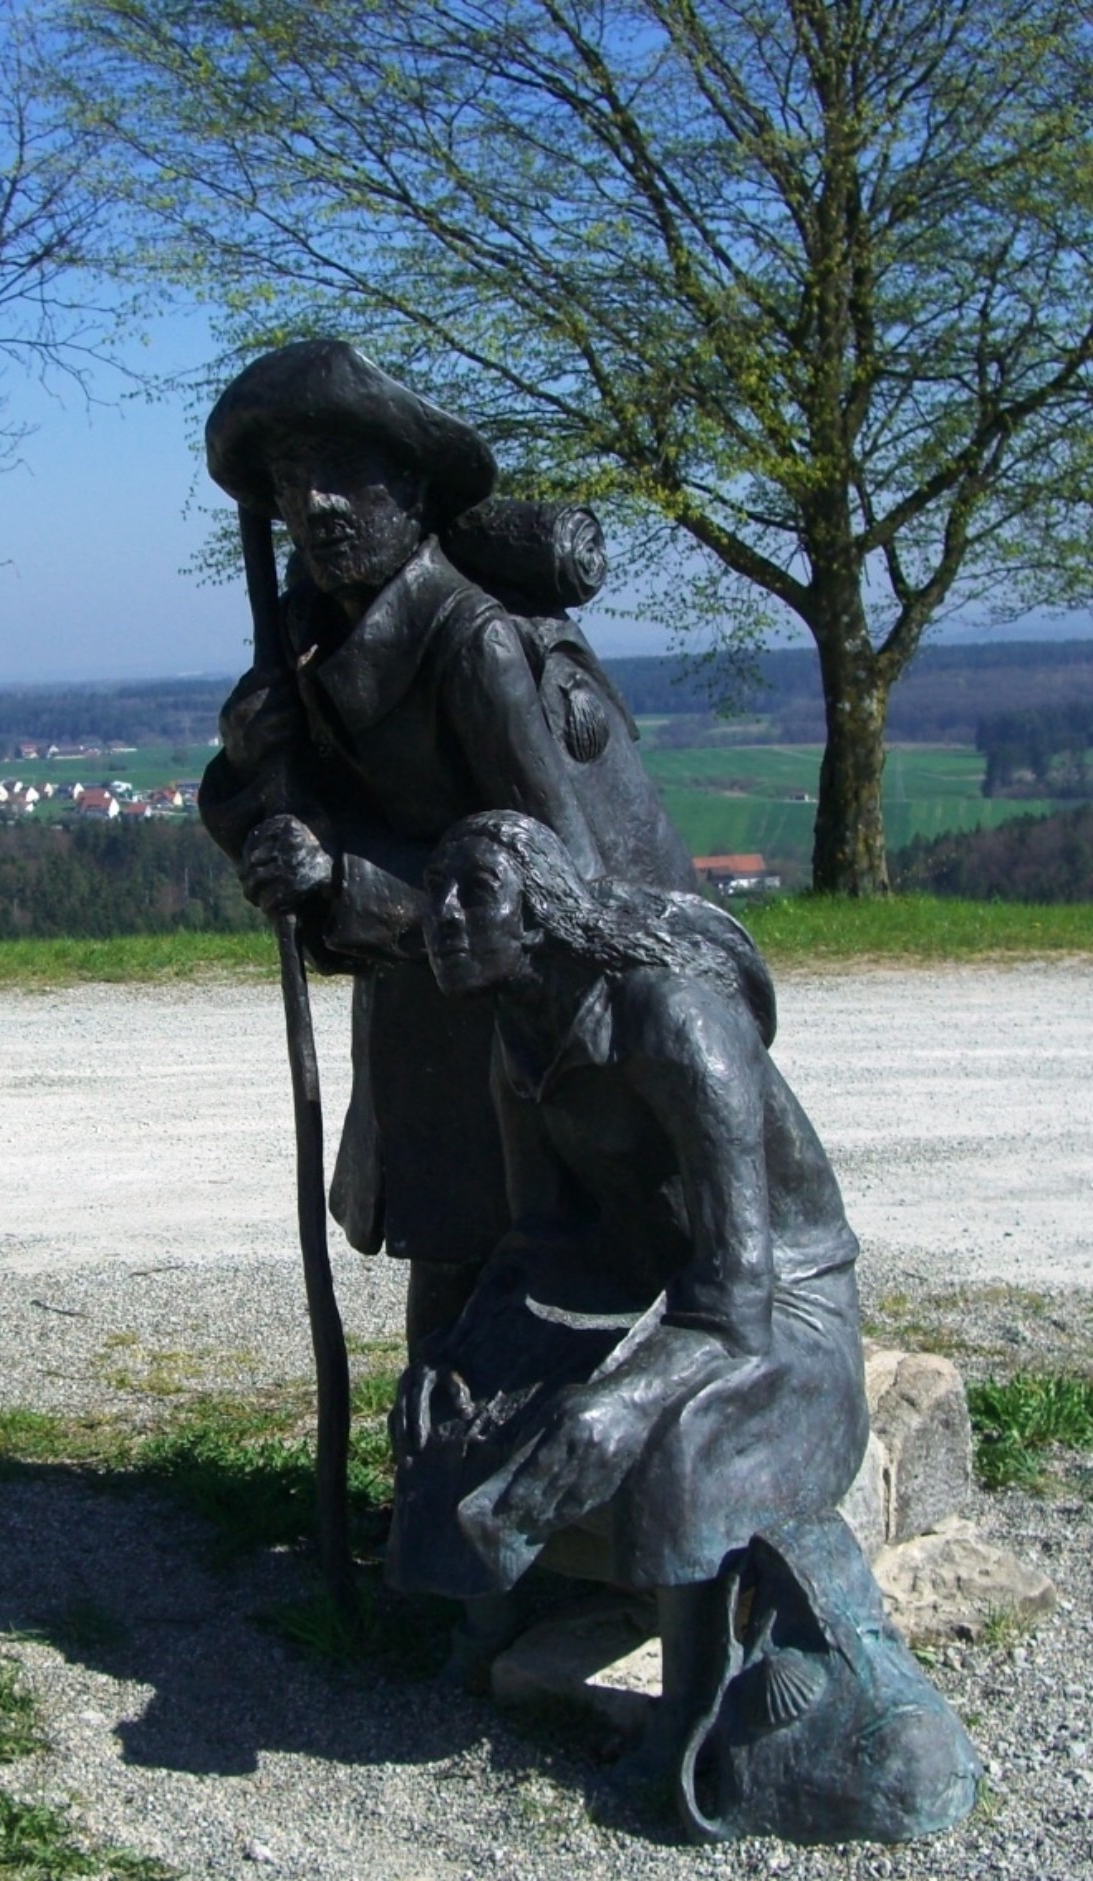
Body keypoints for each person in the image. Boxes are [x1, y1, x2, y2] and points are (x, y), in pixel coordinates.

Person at [390, 812, 978, 1843]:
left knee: (678, 1448)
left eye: (472, 893)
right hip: (653, 1279)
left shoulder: (673, 1021)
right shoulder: (519, 1037)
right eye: (436, 892)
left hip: (781, 1300)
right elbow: (543, 1240)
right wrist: (461, 1352)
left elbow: (738, 1285)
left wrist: (625, 1399)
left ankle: (688, 1728)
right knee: (462, 1399)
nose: (442, 917)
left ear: (541, 909)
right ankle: (488, 1624)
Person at [199, 339, 696, 1343]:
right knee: (454, 1273)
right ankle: (443, 1474)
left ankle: (485, 1477)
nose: (318, 506)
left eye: (346, 476)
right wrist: (248, 774)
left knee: (511, 1280)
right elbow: (306, 820)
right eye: (294, 484)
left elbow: (567, 895)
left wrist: (344, 880)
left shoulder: (474, 645)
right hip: (438, 1026)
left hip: (536, 1041)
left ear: (414, 489)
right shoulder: (312, 634)